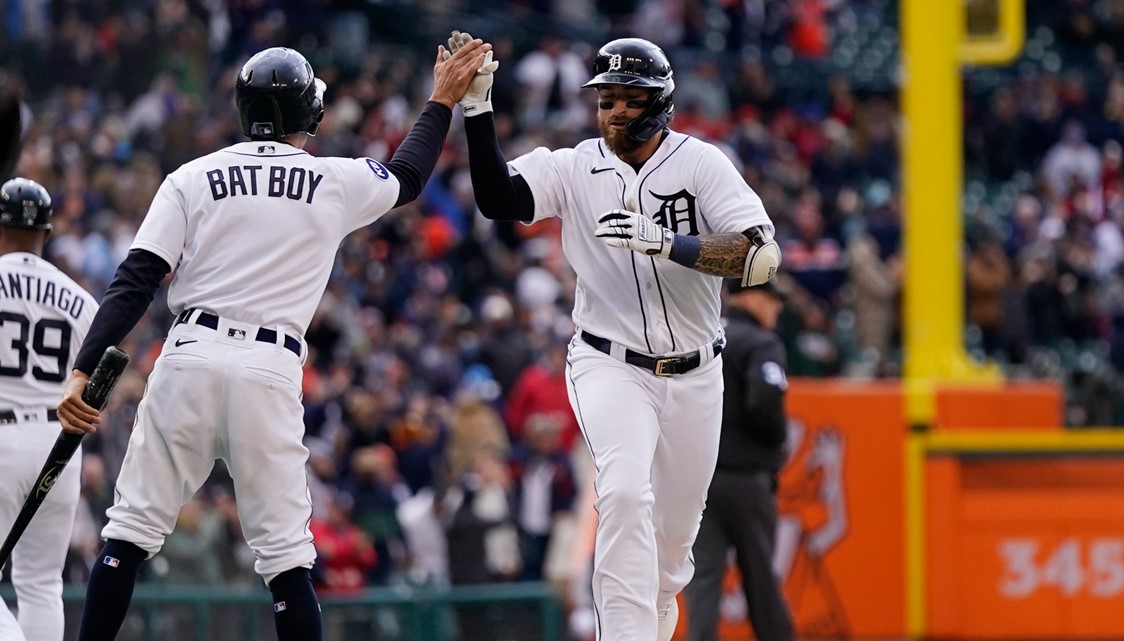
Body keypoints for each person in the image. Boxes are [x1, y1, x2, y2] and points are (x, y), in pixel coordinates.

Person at [55, 40, 492, 641]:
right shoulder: (330, 178)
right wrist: (441, 98)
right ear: (307, 114)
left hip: (189, 357)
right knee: (287, 562)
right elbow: (411, 173)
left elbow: (136, 279)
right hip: (269, 368)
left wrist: (84, 369)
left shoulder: (192, 176)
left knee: (127, 534)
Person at [448, 31, 781, 641]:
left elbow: (761, 259)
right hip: (609, 362)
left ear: (659, 102)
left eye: (628, 97)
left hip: (696, 372)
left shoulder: (700, 163)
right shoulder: (575, 167)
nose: (615, 109)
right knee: (624, 496)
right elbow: (497, 199)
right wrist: (478, 111)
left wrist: (668, 243)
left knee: (673, 555)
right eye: (606, 98)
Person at [0, 177, 97, 641]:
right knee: (41, 585)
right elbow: (98, 382)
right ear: (48, 232)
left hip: (1, 434)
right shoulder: (79, 299)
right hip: (59, 442)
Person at [684, 278, 794, 641]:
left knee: (703, 580)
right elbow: (765, 399)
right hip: (747, 479)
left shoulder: (702, 335)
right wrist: (776, 443)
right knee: (761, 578)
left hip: (700, 480)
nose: (777, 307)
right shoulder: (761, 342)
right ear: (750, 297)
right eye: (772, 299)